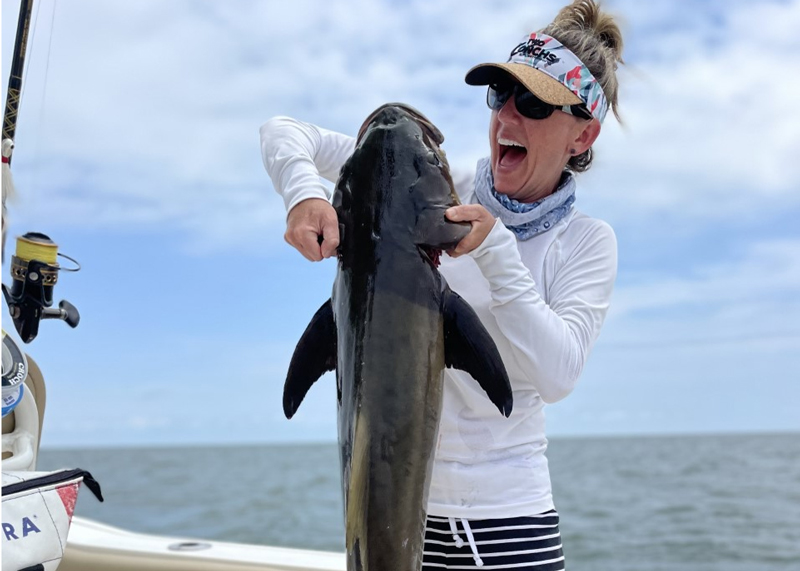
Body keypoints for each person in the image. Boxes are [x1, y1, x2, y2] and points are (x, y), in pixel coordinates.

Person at [260, 1, 622, 569]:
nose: (508, 116)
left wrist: (496, 249)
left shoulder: (585, 242)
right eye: (501, 94)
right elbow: (282, 131)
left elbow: (558, 374)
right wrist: (303, 192)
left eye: (533, 103)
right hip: (393, 519)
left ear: (583, 135)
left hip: (509, 530)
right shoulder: (428, 182)